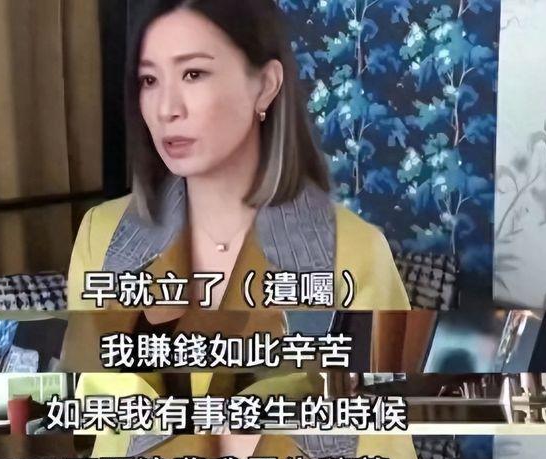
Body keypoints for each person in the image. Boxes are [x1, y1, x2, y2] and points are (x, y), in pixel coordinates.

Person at [66, 0, 410, 316]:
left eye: (193, 74)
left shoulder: (356, 253)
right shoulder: (102, 234)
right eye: (149, 80)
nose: (166, 109)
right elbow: (83, 362)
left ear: (265, 85)